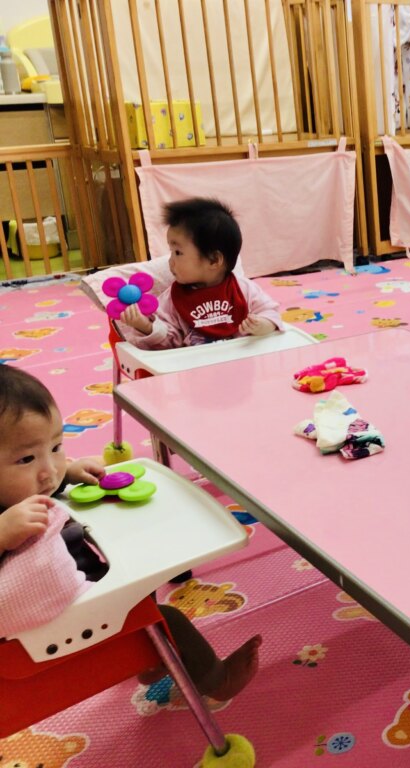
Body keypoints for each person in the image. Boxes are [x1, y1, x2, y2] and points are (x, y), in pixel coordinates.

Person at [0, 365, 261, 701]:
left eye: (56, 447)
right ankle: (216, 680)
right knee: (166, 618)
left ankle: (151, 657)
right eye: (26, 459)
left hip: (87, 580)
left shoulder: (25, 484)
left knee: (140, 581)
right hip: (43, 630)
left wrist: (70, 473)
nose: (48, 471)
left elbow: (49, 478)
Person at [119, 197, 283, 350]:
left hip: (242, 359)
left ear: (214, 260)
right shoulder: (172, 300)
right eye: (171, 251)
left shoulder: (244, 289)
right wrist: (146, 327)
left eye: (178, 252)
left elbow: (271, 312)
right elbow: (169, 342)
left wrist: (264, 325)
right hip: (195, 366)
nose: (170, 261)